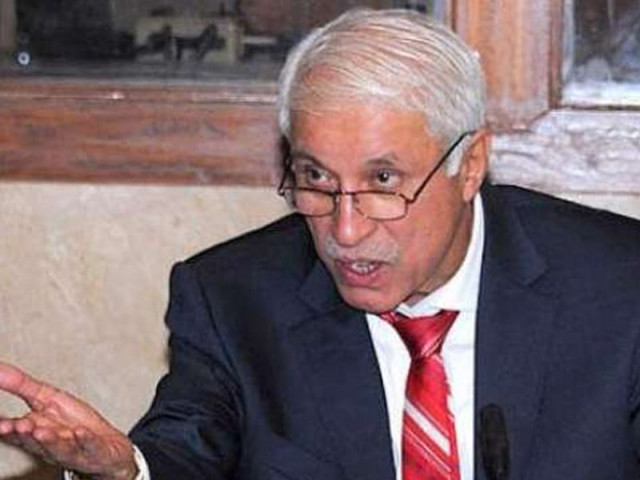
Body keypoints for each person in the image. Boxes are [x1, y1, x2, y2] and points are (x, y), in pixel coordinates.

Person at [2, 7, 640, 480]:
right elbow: (186, 452)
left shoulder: (620, 290)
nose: (346, 231)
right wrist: (127, 472)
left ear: (469, 165)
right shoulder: (235, 300)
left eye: (383, 182)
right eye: (316, 180)